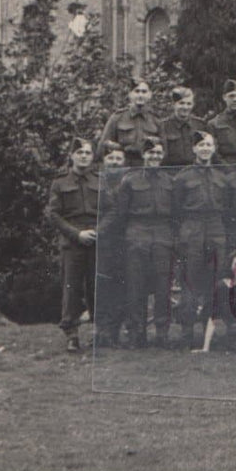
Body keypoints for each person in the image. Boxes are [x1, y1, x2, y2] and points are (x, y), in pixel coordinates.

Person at [107, 137, 176, 348]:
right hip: (137, 234)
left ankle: (162, 334)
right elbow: (121, 214)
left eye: (158, 153)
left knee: (163, 287)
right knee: (135, 287)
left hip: (162, 235)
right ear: (143, 155)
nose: (154, 156)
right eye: (150, 153)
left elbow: (175, 213)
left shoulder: (169, 181)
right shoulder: (130, 180)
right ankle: (137, 333)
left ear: (162, 156)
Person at [171, 131, 229, 348]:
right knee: (190, 281)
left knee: (214, 281)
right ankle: (186, 333)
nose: (205, 149)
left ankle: (208, 335)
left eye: (209, 145)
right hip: (192, 229)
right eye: (201, 145)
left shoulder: (221, 177)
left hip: (215, 228)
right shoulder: (183, 177)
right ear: (194, 149)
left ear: (214, 149)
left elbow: (227, 207)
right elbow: (175, 211)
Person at [47, 138, 100, 352]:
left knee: (97, 288)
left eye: (87, 152)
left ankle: (99, 333)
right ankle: (72, 334)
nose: (84, 156)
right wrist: (77, 234)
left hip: (97, 238)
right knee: (72, 288)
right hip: (73, 241)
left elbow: (112, 210)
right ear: (72, 156)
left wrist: (98, 232)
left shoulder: (100, 180)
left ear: (92, 156)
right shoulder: (60, 183)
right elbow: (54, 214)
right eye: (79, 152)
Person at [93, 140, 128, 349]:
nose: (114, 162)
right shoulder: (96, 181)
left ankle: (114, 331)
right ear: (104, 160)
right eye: (111, 158)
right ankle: (101, 331)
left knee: (121, 286)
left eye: (118, 158)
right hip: (103, 240)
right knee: (102, 286)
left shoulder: (129, 181)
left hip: (125, 239)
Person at [97, 77, 163, 166]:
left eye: (144, 92)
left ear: (150, 95)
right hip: (123, 167)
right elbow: (103, 147)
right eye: (137, 91)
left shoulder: (156, 120)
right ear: (130, 94)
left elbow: (164, 149)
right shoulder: (117, 117)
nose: (140, 95)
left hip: (147, 169)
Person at [159, 86, 208, 167]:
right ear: (173, 104)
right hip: (172, 172)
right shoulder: (163, 126)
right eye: (181, 103)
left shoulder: (200, 125)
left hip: (196, 172)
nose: (185, 107)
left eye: (189, 104)